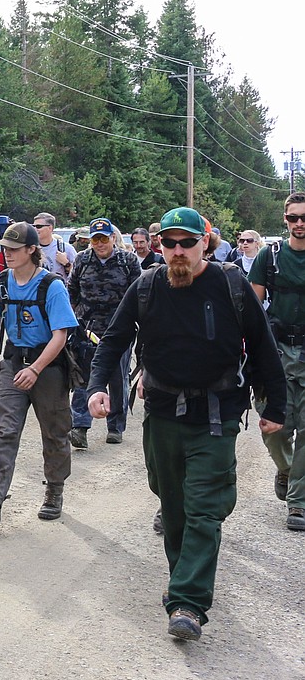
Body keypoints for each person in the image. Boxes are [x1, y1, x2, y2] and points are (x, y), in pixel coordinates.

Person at [88, 206, 285, 642]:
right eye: (169, 243)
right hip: (161, 413)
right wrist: (97, 386)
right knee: (172, 503)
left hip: (216, 414)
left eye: (187, 243)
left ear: (205, 243)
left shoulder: (230, 282)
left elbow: (265, 348)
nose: (177, 251)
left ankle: (188, 603)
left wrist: (276, 406)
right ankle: (183, 580)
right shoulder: (146, 286)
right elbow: (115, 341)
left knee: (204, 507)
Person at [0, 222, 77, 530]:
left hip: (48, 368)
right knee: (6, 431)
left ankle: (54, 492)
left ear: (32, 250)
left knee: (55, 433)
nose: (7, 254)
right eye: (4, 248)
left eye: (14, 249)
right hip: (13, 365)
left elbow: (61, 335)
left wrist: (36, 368)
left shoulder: (51, 285)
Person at [249, 193, 305, 531]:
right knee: (275, 430)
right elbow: (251, 309)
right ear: (285, 220)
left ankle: (298, 503)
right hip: (278, 353)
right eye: (293, 218)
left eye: (304, 218)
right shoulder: (270, 257)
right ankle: (286, 470)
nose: (300, 224)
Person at [66, 218, 140, 450]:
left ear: (113, 238)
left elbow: (138, 293)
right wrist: (77, 318)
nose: (99, 243)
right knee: (84, 377)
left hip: (119, 328)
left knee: (118, 377)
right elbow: (72, 290)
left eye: (103, 238)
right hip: (88, 327)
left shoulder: (128, 261)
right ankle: (80, 426)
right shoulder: (82, 260)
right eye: (95, 239)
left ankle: (115, 426)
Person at [32, 213, 76, 281]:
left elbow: (78, 274)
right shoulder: (30, 249)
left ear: (50, 228)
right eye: (33, 226)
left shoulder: (66, 248)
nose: (35, 229)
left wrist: (66, 263)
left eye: (38, 226)